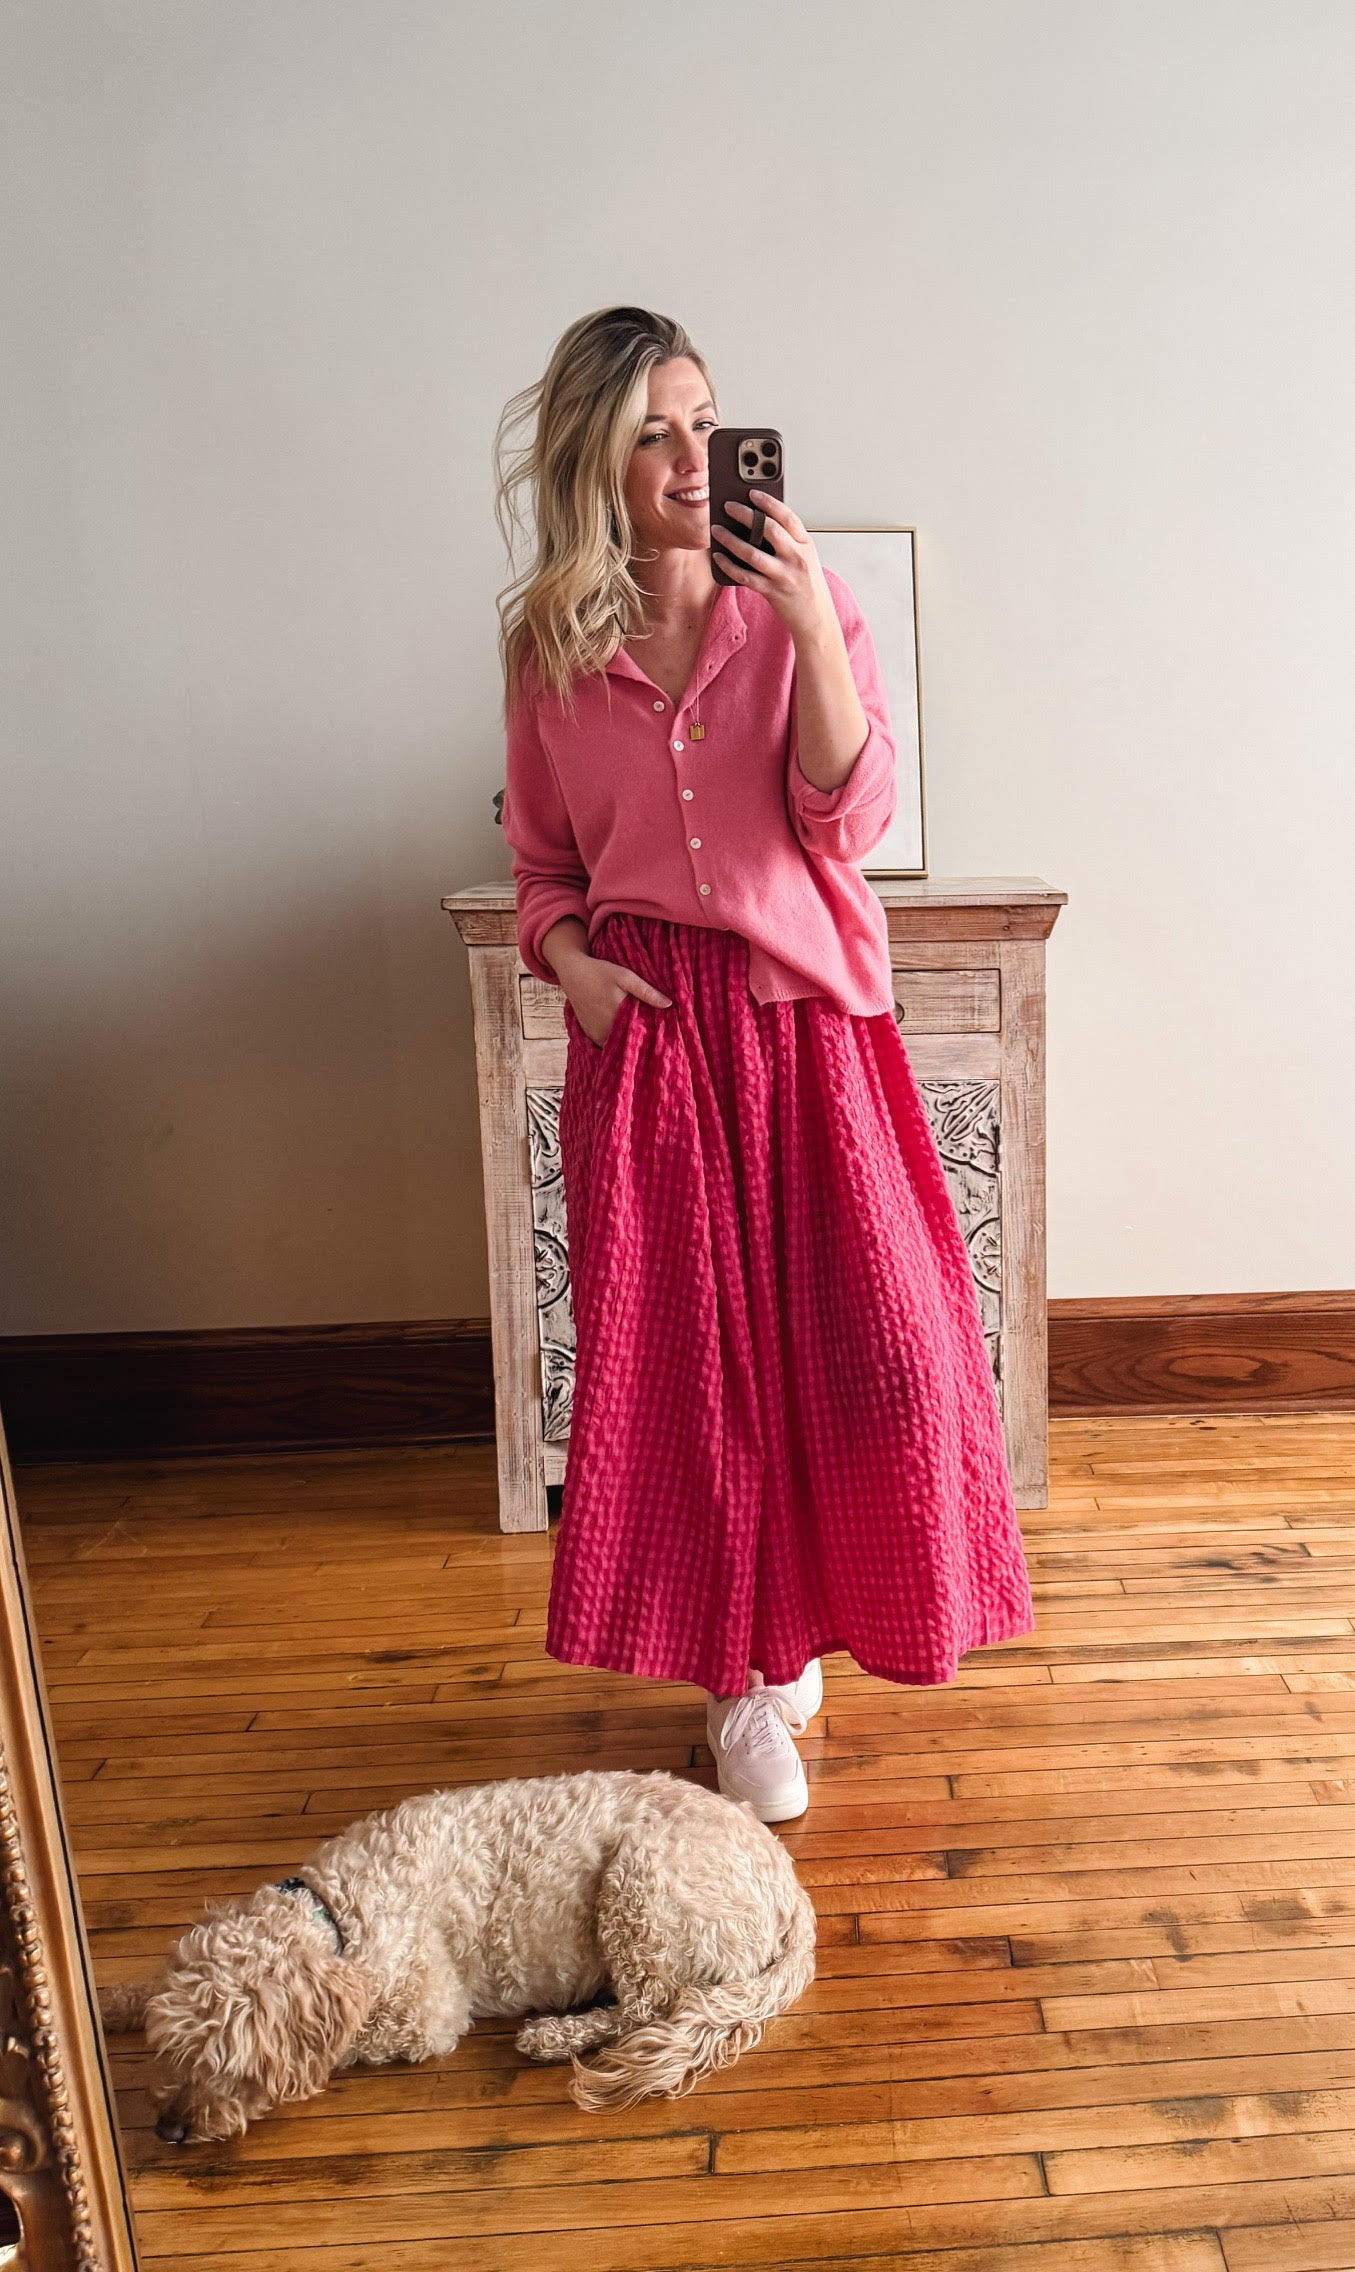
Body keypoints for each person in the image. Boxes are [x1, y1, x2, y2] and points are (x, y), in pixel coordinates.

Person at [496, 306, 1033, 1824]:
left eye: (706, 421)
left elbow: (848, 825)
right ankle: (741, 1683)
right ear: (595, 457)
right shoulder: (548, 649)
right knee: (690, 1384)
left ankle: (815, 1625)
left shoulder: (807, 608)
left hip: (806, 1032)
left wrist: (804, 625)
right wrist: (575, 970)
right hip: (653, 1042)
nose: (686, 456)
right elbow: (542, 864)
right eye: (653, 429)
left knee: (881, 1361)